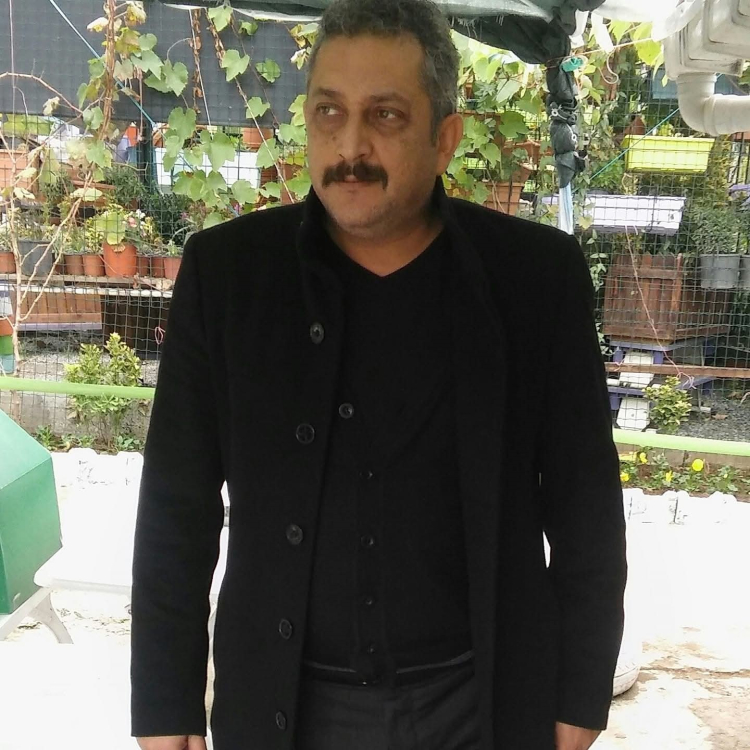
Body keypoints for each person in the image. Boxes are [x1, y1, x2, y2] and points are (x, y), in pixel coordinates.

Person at [130, 0, 627, 748]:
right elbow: (178, 506)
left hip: (480, 706)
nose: (350, 145)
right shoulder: (230, 276)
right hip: (286, 710)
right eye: (329, 112)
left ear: (445, 138)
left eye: (386, 115)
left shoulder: (532, 280)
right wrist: (164, 704)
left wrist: (580, 696)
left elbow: (586, 507)